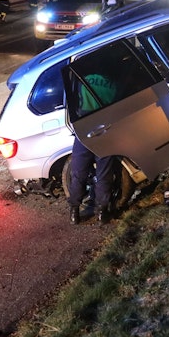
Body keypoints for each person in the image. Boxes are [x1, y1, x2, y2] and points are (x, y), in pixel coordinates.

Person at [68, 72, 119, 225]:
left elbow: (73, 100)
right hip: (105, 129)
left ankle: (74, 212)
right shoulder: (114, 84)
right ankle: (102, 213)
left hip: (84, 128)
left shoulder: (84, 78)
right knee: (104, 173)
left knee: (79, 172)